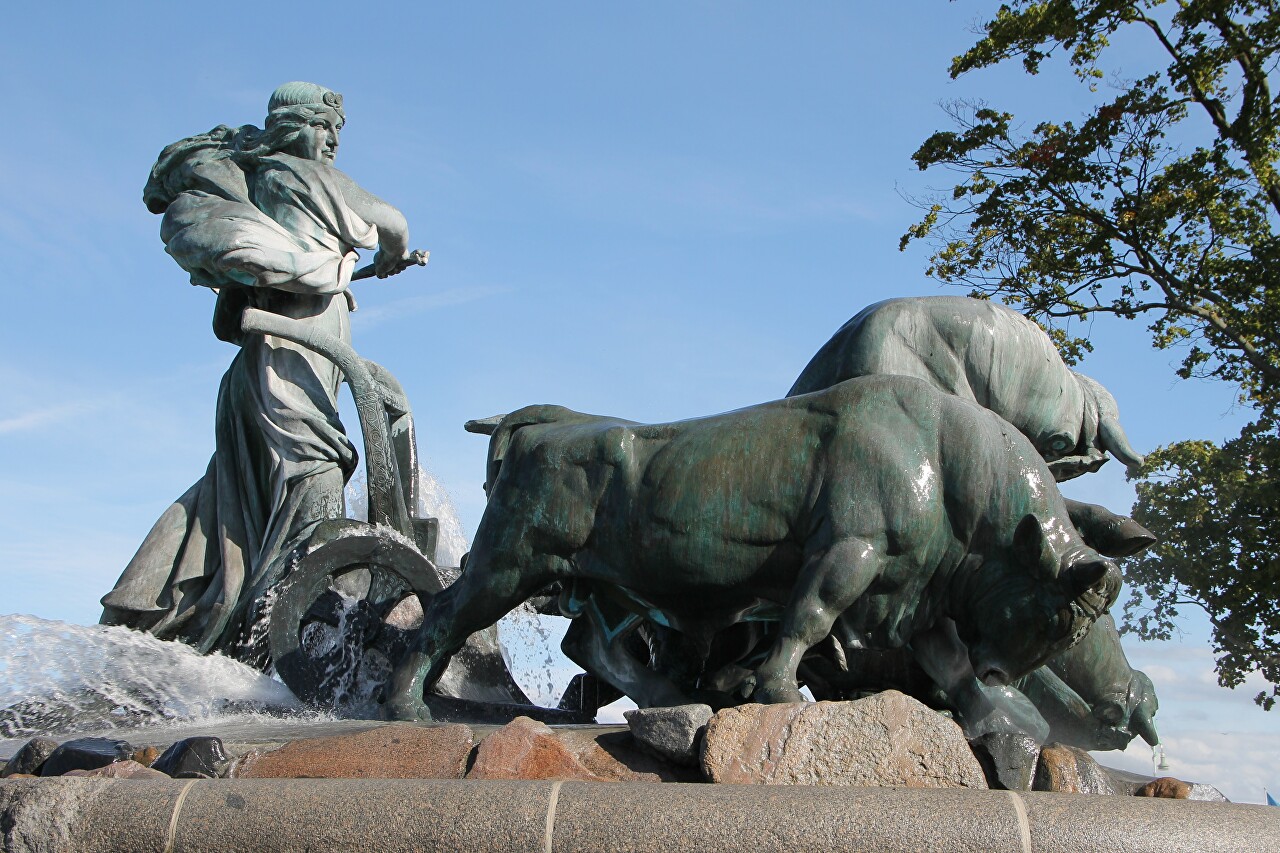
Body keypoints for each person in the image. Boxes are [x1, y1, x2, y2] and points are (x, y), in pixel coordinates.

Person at [101, 82, 417, 662]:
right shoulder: (299, 175)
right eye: (323, 128)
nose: (331, 142)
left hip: (260, 367)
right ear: (294, 127)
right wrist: (390, 254)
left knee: (235, 491)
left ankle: (148, 612)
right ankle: (291, 648)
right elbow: (391, 221)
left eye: (337, 133)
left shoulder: (261, 183)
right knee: (314, 476)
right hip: (288, 369)